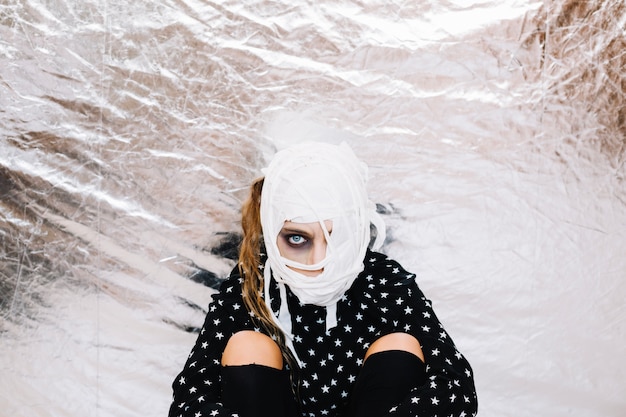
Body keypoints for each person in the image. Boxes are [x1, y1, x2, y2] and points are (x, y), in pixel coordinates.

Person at [168, 142, 477, 417]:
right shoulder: (252, 282)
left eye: (336, 236)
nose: (319, 262)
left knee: (401, 346)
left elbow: (458, 388)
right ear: (273, 228)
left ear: (356, 229)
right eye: (298, 239)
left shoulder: (384, 282)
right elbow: (188, 401)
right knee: (247, 345)